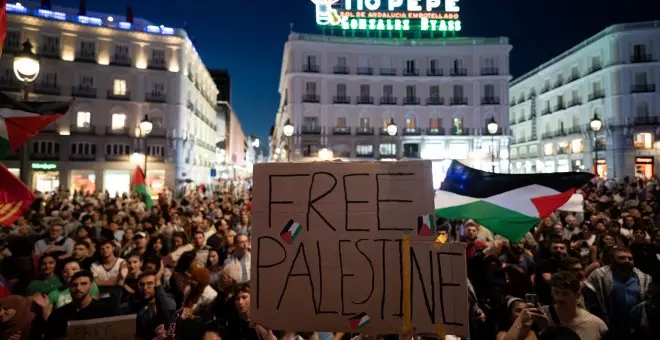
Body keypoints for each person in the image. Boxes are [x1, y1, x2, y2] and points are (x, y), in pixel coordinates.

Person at [37, 269, 125, 339]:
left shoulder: (107, 310)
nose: (78, 288)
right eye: (74, 285)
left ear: (91, 286)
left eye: (84, 284)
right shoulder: (58, 314)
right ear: (69, 288)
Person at [586, 245, 651, 336]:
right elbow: (591, 300)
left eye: (630, 258)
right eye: (622, 258)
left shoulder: (644, 278)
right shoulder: (599, 275)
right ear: (612, 260)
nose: (627, 260)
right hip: (609, 325)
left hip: (635, 327)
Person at [541, 272, 608, 340]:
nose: (559, 297)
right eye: (556, 292)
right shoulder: (542, 314)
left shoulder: (596, 324)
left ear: (577, 295)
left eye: (565, 294)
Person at [121, 269, 177, 340]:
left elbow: (168, 308)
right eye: (141, 284)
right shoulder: (133, 300)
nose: (145, 288)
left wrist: (158, 288)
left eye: (150, 283)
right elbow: (117, 313)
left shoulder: (167, 299)